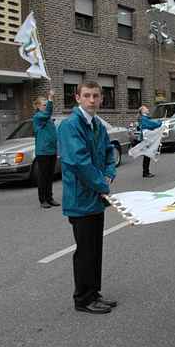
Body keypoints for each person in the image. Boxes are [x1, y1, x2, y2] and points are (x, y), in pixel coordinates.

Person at [57, 81, 118, 315]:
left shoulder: (97, 125)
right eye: (87, 95)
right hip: (81, 199)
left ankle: (94, 292)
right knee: (85, 251)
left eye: (96, 96)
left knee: (95, 249)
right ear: (77, 98)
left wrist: (110, 173)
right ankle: (83, 299)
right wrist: (102, 183)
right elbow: (78, 162)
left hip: (95, 197)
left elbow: (107, 153)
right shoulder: (70, 125)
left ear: (101, 98)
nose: (92, 100)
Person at [33, 90, 59, 209]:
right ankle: (42, 199)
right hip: (43, 152)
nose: (46, 106)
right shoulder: (39, 117)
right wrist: (50, 98)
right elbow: (48, 113)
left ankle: (49, 197)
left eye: (46, 104)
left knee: (49, 176)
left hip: (51, 151)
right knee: (43, 177)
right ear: (38, 106)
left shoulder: (47, 119)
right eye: (44, 104)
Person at [137, 105, 162, 178]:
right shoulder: (144, 119)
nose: (147, 109)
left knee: (147, 155)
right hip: (147, 139)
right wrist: (159, 122)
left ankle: (146, 172)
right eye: (145, 108)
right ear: (142, 111)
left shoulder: (144, 118)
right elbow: (152, 125)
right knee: (147, 155)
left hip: (147, 138)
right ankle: (145, 172)